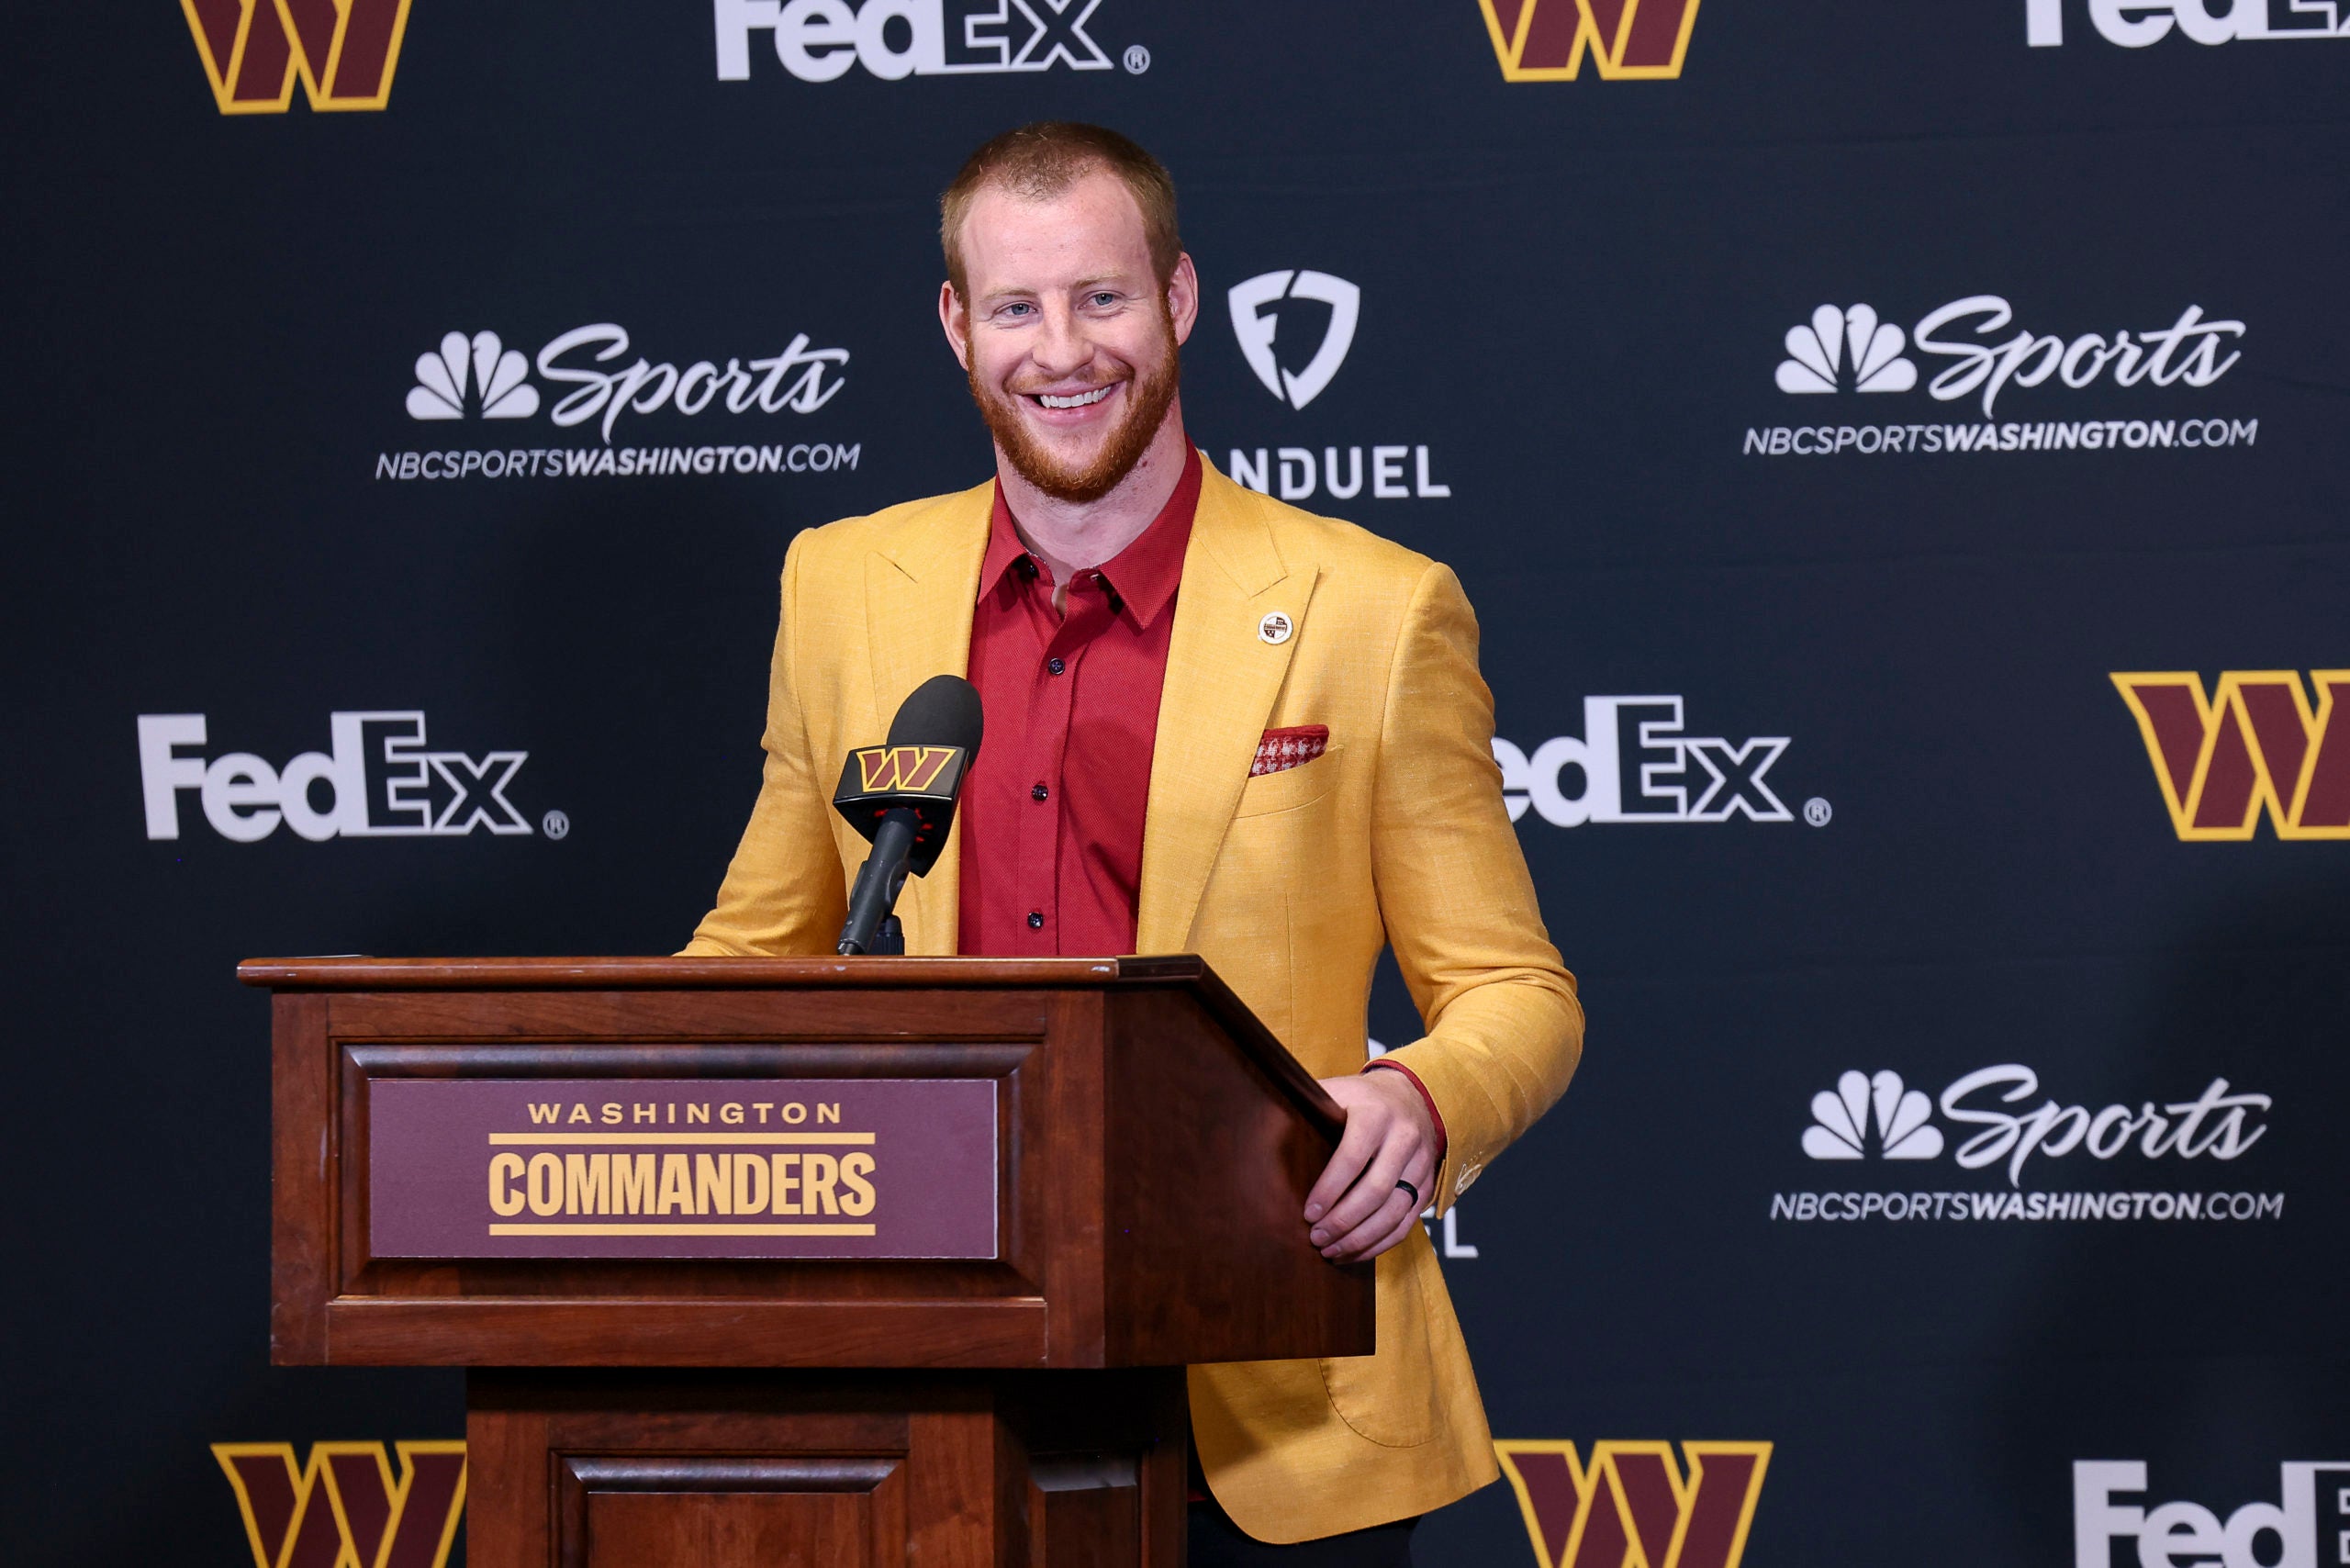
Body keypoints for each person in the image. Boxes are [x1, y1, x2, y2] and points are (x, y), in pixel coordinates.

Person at [684, 121, 1583, 1565]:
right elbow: (752, 954)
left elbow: (1516, 992)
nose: (1062, 351)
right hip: (927, 1382)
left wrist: (1419, 1101)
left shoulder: (1375, 609)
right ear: (956, 327)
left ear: (1176, 299)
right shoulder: (843, 585)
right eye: (1017, 307)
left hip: (1273, 1394)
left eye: (1101, 297)